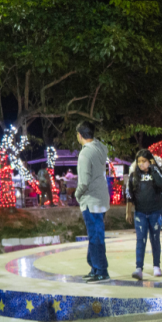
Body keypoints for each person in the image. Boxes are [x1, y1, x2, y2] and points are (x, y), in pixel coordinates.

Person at [74, 121, 111, 282]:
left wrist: (77, 195)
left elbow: (84, 181)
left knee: (95, 236)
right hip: (102, 199)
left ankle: (101, 270)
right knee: (95, 235)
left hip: (90, 200)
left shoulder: (85, 154)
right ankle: (95, 267)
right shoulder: (101, 149)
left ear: (80, 135)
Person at [125, 150, 162, 279]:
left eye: (144, 161)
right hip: (140, 213)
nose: (142, 164)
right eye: (139, 162)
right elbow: (129, 195)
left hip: (155, 212)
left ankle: (156, 266)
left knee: (155, 239)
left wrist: (153, 168)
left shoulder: (156, 172)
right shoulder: (133, 176)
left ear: (150, 161)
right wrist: (128, 212)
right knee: (140, 240)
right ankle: (139, 268)